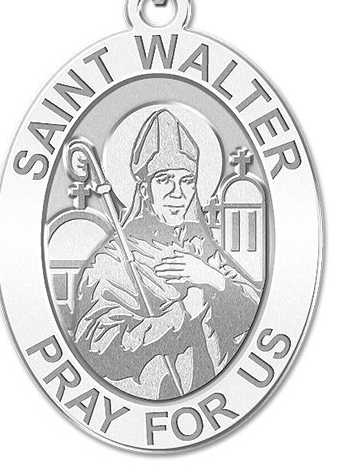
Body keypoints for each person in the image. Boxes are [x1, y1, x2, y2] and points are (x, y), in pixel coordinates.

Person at [73, 109, 261, 399]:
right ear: (144, 190)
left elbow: (256, 311)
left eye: (187, 181)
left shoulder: (200, 249)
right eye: (164, 180)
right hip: (148, 400)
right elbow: (96, 343)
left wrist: (212, 278)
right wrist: (181, 314)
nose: (178, 193)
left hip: (213, 394)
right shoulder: (113, 260)